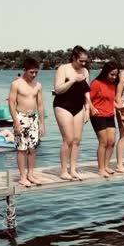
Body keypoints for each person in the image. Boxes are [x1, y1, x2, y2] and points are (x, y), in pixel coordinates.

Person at [53, 45, 91, 181]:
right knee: (68, 139)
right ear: (74, 58)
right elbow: (57, 89)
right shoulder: (63, 68)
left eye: (85, 61)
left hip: (79, 105)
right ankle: (63, 170)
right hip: (63, 105)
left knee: (77, 140)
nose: (83, 63)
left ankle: (73, 169)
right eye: (81, 61)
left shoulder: (85, 71)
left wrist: (88, 108)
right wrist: (74, 80)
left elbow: (86, 91)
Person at [8, 57, 45, 187]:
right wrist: (16, 122)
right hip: (20, 117)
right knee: (22, 149)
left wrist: (42, 123)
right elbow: (11, 104)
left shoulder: (38, 85)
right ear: (25, 70)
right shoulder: (16, 84)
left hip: (33, 118)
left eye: (36, 72)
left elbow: (40, 104)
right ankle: (22, 177)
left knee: (33, 148)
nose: (34, 75)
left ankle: (31, 174)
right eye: (31, 72)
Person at [89, 62, 120, 178]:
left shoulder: (113, 85)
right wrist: (92, 109)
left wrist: (119, 107)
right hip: (98, 115)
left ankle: (106, 166)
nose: (114, 77)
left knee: (111, 141)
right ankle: (100, 168)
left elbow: (112, 101)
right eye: (112, 75)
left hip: (110, 115)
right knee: (103, 142)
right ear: (106, 73)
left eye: (116, 75)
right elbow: (87, 99)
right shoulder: (96, 83)